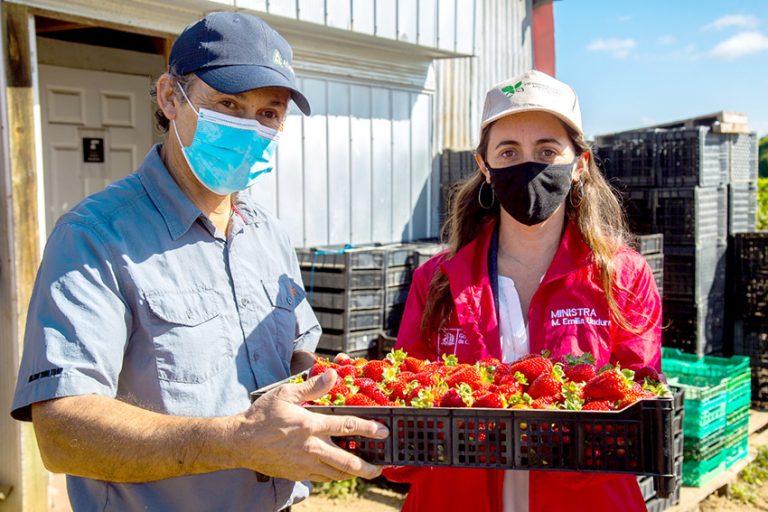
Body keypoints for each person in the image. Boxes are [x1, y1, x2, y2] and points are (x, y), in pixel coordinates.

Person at [11, 11, 387, 512]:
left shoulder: (268, 234)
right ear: (170, 98)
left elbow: (294, 361)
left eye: (268, 113)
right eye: (228, 103)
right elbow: (61, 431)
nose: (249, 127)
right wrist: (237, 440)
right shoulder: (94, 237)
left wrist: (339, 386)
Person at [385, 70, 661, 511]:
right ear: (486, 168)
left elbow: (640, 402)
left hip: (587, 500)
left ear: (579, 165)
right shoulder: (437, 279)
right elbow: (404, 412)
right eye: (508, 151)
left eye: (548, 150)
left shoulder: (621, 275)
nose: (528, 164)